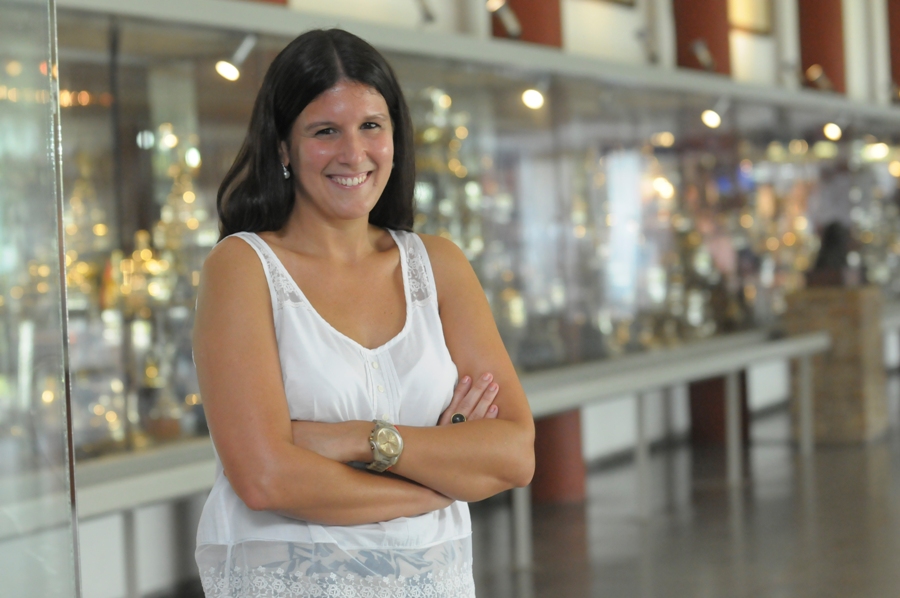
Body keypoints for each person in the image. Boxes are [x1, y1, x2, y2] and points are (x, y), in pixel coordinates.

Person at [192, 29, 535, 597]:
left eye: (371, 126)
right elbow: (265, 477)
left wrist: (362, 440)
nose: (353, 153)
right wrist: (438, 482)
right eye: (325, 131)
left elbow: (514, 454)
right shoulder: (243, 268)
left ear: (395, 135)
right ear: (282, 146)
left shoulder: (438, 266)